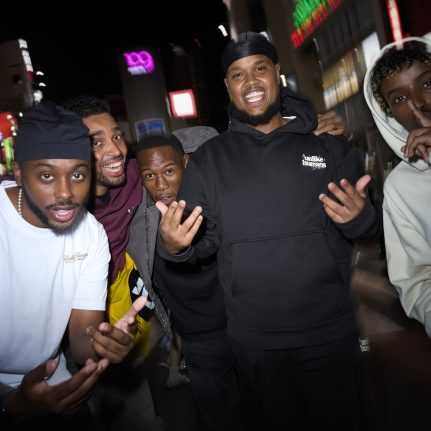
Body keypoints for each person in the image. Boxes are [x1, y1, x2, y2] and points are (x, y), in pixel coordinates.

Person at [156, 32, 380, 430]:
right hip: (255, 342)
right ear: (227, 86)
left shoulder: (328, 147)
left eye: (260, 68)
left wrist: (361, 219)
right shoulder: (209, 161)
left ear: (277, 73)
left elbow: (371, 231)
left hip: (332, 332)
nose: (251, 81)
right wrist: (175, 246)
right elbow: (199, 244)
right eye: (238, 74)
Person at [0, 101, 145, 430]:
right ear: (19, 173)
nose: (65, 193)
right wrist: (10, 403)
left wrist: (103, 342)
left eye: (78, 175)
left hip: (51, 376)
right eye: (47, 175)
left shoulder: (90, 233)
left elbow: (81, 335)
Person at [62, 95, 167, 430]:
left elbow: (186, 153)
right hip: (67, 321)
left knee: (134, 407)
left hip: (121, 310)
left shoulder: (134, 176)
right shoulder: (57, 206)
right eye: (96, 141)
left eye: (117, 136)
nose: (115, 149)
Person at [133, 130, 243, 430]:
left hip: (245, 325)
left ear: (185, 163)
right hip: (197, 340)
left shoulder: (217, 202)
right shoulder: (142, 223)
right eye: (150, 175)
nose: (161, 185)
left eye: (169, 171)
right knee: (219, 418)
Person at [364, 35, 431, 337]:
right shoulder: (400, 187)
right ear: (389, 114)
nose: (418, 103)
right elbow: (416, 282)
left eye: (427, 83)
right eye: (399, 99)